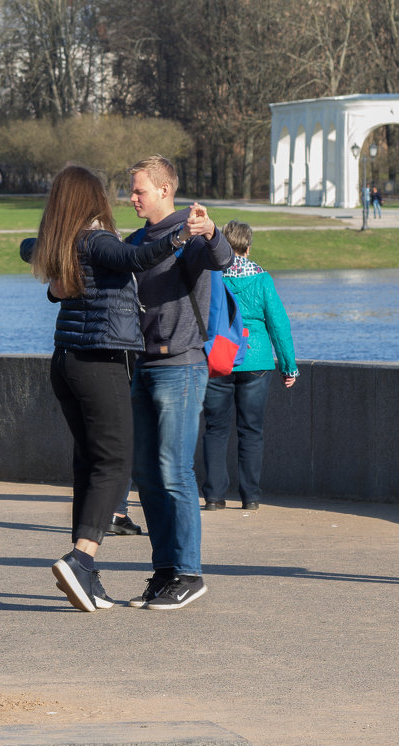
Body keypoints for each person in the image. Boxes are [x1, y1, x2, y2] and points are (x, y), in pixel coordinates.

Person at [22, 164, 199, 612]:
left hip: (66, 360)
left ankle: (89, 577)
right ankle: (82, 559)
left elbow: (29, 248)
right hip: (98, 362)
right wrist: (179, 238)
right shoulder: (97, 240)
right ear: (91, 199)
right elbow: (135, 259)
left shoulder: (65, 242)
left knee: (89, 461)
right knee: (116, 463)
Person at [126, 155, 233, 611]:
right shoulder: (136, 240)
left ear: (164, 190)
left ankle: (190, 572)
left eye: (139, 191)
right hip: (143, 366)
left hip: (182, 365)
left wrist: (209, 231)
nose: (132, 198)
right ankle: (166, 570)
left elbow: (222, 259)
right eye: (131, 191)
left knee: (174, 471)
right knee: (147, 477)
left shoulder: (189, 236)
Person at [202, 221, 298, 512]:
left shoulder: (212, 278)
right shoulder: (262, 279)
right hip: (256, 361)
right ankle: (250, 497)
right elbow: (279, 325)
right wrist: (288, 366)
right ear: (248, 246)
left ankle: (214, 497)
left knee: (215, 429)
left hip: (219, 359)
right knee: (251, 430)